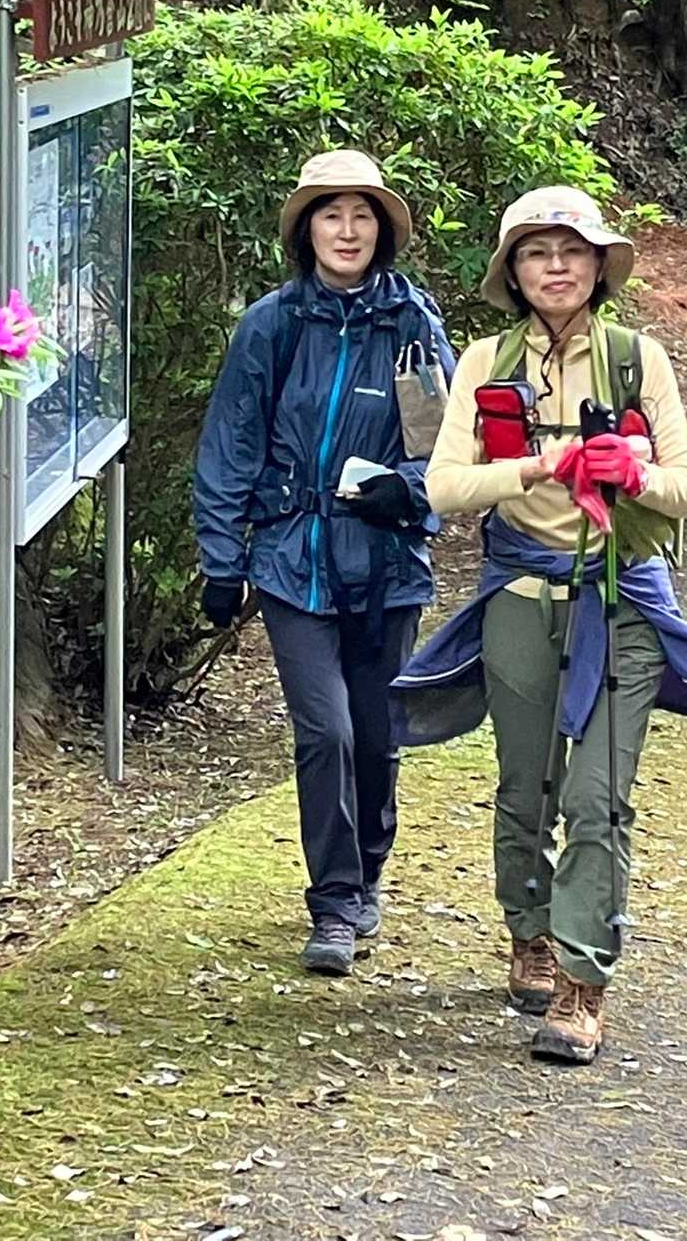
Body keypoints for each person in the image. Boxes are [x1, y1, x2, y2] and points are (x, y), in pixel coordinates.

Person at [390, 186, 687, 1063]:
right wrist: (541, 466)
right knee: (526, 787)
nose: (557, 267)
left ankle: (583, 984)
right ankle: (530, 931)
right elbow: (445, 486)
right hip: (520, 598)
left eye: (572, 251)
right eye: (537, 253)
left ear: (598, 266)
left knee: (597, 798)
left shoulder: (638, 360)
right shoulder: (486, 362)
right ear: (513, 271)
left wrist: (633, 473)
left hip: (623, 601)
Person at [194, 150, 455, 978]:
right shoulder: (272, 325)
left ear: (382, 231)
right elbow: (231, 442)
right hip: (291, 557)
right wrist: (222, 559)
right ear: (306, 229)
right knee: (326, 731)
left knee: (377, 735)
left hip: (385, 566)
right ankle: (335, 902)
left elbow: (446, 448)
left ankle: (368, 869)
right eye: (331, 214)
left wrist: (408, 494)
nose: (347, 230)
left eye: (362, 215)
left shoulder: (412, 325)